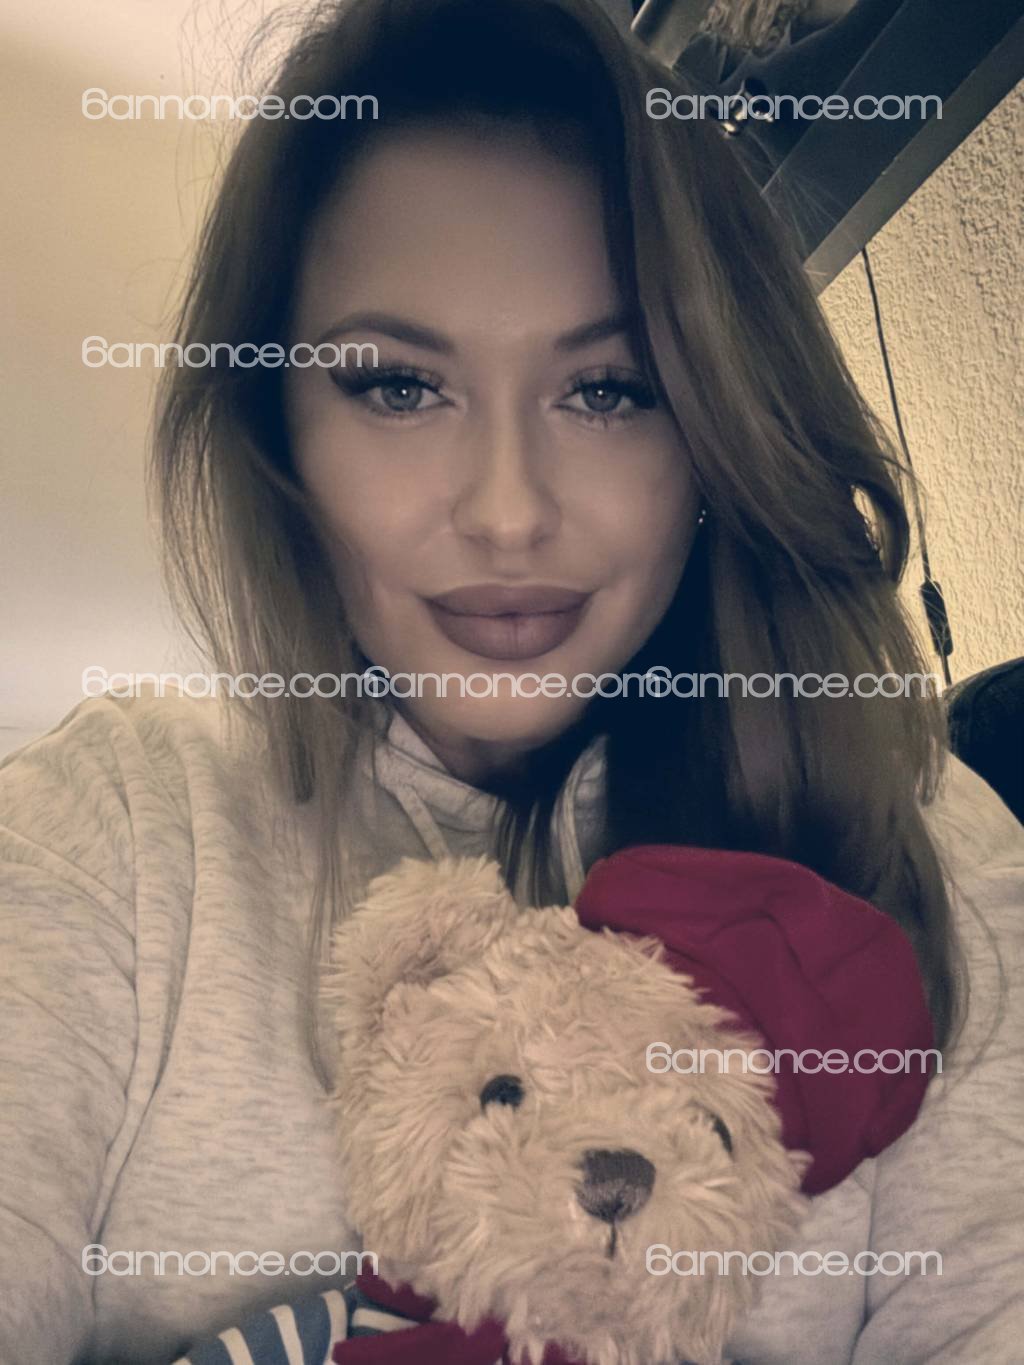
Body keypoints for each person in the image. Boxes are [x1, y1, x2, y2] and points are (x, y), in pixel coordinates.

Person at [1, 0, 1021, 1361]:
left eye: (610, 388)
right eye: (396, 387)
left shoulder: (929, 847)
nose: (505, 512)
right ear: (276, 433)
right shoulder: (110, 832)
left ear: (719, 425)